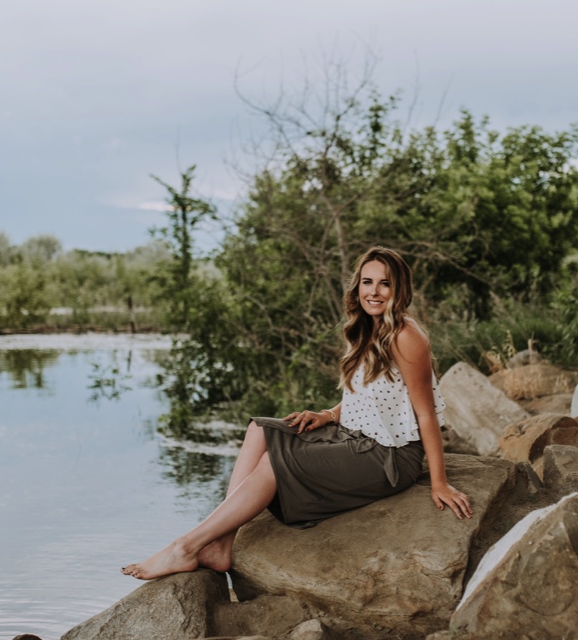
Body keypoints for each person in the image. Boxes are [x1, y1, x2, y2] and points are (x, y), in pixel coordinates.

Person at [122, 246, 471, 580]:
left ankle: (185, 546)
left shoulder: (407, 337)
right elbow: (370, 396)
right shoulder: (365, 328)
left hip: (389, 457)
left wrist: (438, 482)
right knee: (260, 430)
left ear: (399, 289)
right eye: (368, 282)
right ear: (358, 286)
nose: (374, 292)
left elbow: (424, 414)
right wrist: (329, 415)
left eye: (385, 283)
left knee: (275, 464)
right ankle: (221, 543)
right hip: (354, 436)